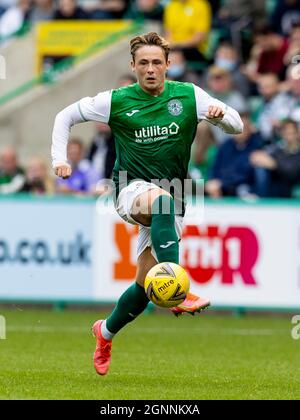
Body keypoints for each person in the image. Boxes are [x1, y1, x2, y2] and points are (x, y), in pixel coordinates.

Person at [51, 32, 243, 376]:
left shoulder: (189, 95)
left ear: (169, 65)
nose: (150, 69)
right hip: (130, 189)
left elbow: (237, 124)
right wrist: (59, 160)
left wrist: (219, 116)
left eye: (157, 62)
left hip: (174, 196)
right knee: (162, 205)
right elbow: (64, 116)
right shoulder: (116, 100)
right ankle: (181, 288)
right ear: (133, 66)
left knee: (147, 285)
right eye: (143, 63)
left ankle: (104, 332)